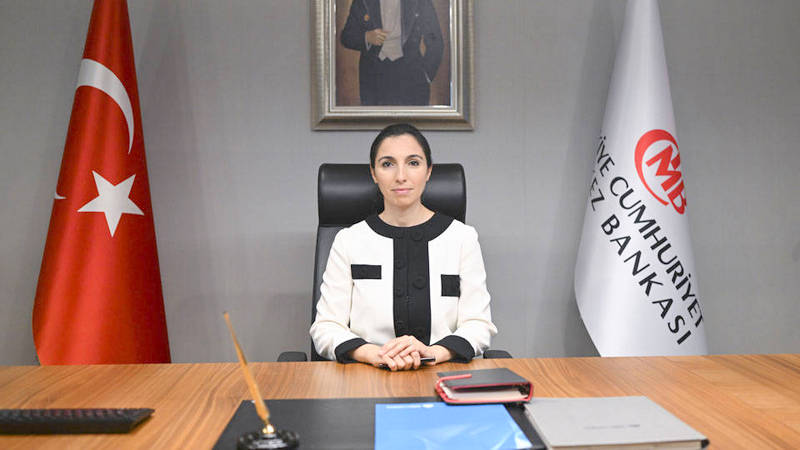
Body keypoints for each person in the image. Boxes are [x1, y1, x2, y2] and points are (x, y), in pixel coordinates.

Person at [310, 123, 497, 371]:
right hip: (366, 374)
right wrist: (374, 354)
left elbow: (479, 324)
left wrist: (432, 353)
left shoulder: (462, 238)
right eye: (387, 164)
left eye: (413, 163)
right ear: (374, 173)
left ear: (428, 171)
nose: (401, 176)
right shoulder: (349, 240)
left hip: (444, 372)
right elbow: (325, 326)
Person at [340, 0, 444, 106]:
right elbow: (346, 37)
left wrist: (426, 76)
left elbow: (436, 41)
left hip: (411, 77)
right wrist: (366, 37)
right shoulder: (363, 1)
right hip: (374, 78)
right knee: (376, 117)